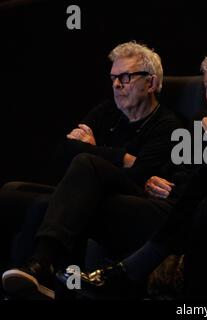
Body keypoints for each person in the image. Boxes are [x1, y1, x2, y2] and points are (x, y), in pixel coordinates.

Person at [66, 44, 207, 299]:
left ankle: (130, 271)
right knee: (101, 201)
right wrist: (154, 181)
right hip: (175, 211)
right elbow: (174, 170)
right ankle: (77, 286)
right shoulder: (199, 120)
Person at [1, 41, 181, 299]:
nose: (117, 84)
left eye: (126, 77)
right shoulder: (107, 111)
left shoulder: (169, 127)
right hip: (98, 192)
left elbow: (139, 176)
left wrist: (93, 153)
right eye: (113, 78)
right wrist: (121, 156)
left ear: (151, 84)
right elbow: (63, 152)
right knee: (24, 198)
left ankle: (41, 264)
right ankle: (26, 283)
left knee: (86, 165)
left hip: (136, 203)